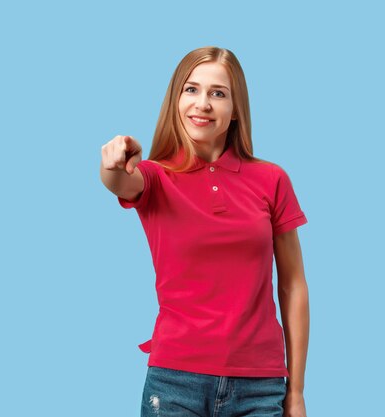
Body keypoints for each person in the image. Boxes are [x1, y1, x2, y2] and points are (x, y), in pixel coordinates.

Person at [100, 46, 309, 417]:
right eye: (191, 89)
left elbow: (293, 285)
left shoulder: (272, 180)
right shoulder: (155, 177)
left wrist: (296, 393)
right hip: (175, 381)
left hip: (260, 386)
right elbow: (119, 181)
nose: (203, 103)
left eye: (218, 93)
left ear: (235, 109)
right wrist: (114, 160)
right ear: (176, 99)